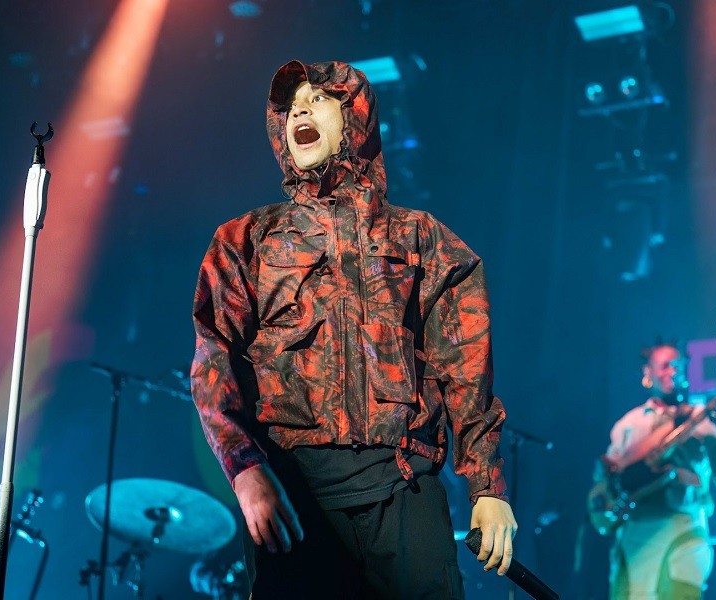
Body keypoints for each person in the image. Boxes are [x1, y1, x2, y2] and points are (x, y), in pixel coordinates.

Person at [190, 59, 517, 599]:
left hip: (403, 492)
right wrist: (245, 472)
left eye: (318, 99)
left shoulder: (423, 239)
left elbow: (466, 367)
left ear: (355, 118)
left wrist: (487, 485)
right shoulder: (244, 241)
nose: (300, 109)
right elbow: (212, 365)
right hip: (295, 501)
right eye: (290, 105)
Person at [589, 341, 716, 599]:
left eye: (677, 365)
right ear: (648, 373)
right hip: (637, 534)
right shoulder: (628, 425)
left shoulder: (701, 419)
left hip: (687, 525)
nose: (671, 371)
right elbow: (606, 484)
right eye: (664, 366)